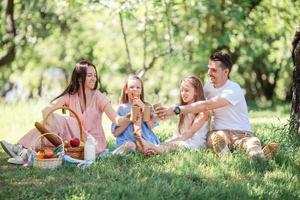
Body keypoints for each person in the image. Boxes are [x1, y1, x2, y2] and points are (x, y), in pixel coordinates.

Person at [156, 51, 279, 159]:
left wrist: (177, 110)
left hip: (240, 133)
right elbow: (196, 104)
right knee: (214, 137)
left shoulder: (233, 89)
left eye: (214, 70)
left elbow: (206, 105)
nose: (209, 73)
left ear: (225, 72)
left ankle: (257, 155)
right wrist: (170, 109)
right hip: (220, 134)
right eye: (209, 68)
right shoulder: (208, 87)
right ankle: (227, 156)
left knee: (250, 142)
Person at [1, 60, 127, 164]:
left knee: (67, 120)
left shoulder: (99, 97)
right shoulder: (70, 96)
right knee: (52, 121)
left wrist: (129, 117)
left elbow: (116, 120)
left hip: (93, 144)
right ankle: (24, 152)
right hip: (74, 141)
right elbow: (46, 110)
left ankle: (23, 151)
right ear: (79, 78)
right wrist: (50, 128)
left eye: (95, 75)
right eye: (89, 75)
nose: (94, 78)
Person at [137, 76, 209, 154]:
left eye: (186, 90)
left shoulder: (203, 112)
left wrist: (169, 142)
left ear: (196, 92)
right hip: (181, 138)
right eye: (181, 90)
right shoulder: (180, 107)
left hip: (195, 143)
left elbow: (189, 133)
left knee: (172, 145)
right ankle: (152, 150)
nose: (183, 93)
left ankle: (151, 147)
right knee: (166, 144)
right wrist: (147, 110)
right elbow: (163, 115)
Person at [111, 75, 160, 155]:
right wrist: (129, 119)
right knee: (131, 145)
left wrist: (143, 106)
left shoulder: (146, 106)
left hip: (145, 139)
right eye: (131, 87)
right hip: (128, 141)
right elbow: (115, 133)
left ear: (141, 91)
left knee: (149, 145)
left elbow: (150, 125)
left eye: (138, 87)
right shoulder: (122, 108)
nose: (135, 89)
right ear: (126, 90)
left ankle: (145, 149)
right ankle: (113, 154)